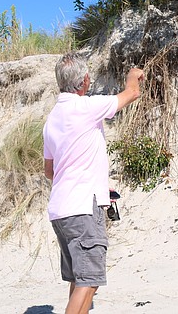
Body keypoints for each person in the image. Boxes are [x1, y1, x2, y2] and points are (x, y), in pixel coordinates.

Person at [43, 52, 144, 314]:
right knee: (89, 282)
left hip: (60, 210)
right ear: (85, 80)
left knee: (79, 279)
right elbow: (131, 93)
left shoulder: (52, 119)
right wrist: (133, 75)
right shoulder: (85, 107)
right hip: (82, 209)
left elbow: (49, 171)